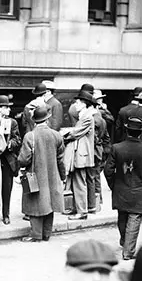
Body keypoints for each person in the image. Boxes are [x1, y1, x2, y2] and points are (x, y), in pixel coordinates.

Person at [104, 117, 142, 260]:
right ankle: (128, 251)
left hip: (121, 188)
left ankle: (124, 241)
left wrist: (113, 185)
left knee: (122, 216)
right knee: (134, 218)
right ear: (140, 132)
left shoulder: (117, 147)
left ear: (127, 131)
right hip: (141, 189)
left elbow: (108, 170)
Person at [18, 106, 65, 242]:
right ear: (47, 119)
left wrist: (19, 165)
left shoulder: (30, 136)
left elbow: (24, 159)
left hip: (35, 175)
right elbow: (61, 159)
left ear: (35, 121)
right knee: (50, 203)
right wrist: (63, 176)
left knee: (35, 204)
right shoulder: (56, 135)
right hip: (53, 175)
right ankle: (46, 234)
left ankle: (35, 235)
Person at [62, 91, 96, 220]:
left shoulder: (87, 117)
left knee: (79, 182)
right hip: (79, 155)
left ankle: (82, 212)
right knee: (77, 182)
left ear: (84, 103)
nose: (75, 104)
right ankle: (77, 209)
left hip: (81, 155)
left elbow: (76, 133)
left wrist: (62, 134)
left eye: (77, 102)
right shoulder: (84, 115)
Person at [0, 95, 22, 225]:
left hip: (7, 160)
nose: (9, 110)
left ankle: (6, 214)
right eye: (6, 108)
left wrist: (9, 144)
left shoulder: (12, 122)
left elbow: (18, 139)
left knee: (7, 187)